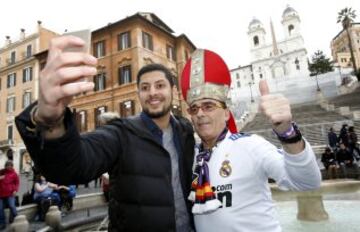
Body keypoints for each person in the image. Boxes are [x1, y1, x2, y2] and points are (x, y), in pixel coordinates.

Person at [15, 35, 195, 231]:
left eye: (160, 85)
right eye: (145, 87)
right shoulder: (120, 133)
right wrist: (50, 121)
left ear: (173, 89)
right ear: (138, 94)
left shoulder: (184, 131)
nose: (152, 93)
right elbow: (72, 166)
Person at [180, 49, 321, 232]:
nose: (200, 113)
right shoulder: (191, 157)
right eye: (194, 109)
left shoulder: (250, 145)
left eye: (208, 106)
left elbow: (307, 182)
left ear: (226, 113)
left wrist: (287, 132)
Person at [0, 160, 19, 230]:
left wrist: (15, 190)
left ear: (12, 166)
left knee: (12, 206)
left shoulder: (14, 174)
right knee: (0, 209)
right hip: (1, 194)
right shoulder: (1, 172)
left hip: (10, 194)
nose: (8, 167)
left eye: (10, 165)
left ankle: (18, 220)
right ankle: (2, 223)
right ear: (5, 166)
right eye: (7, 165)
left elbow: (17, 183)